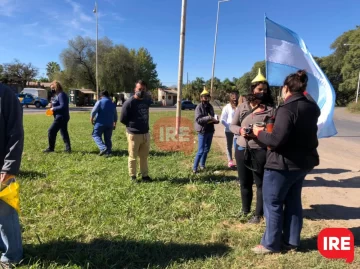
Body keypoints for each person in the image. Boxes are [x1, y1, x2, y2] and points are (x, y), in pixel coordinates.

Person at [251, 70, 320, 254]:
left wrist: (259, 133)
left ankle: (270, 244)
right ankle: (291, 241)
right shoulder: (312, 107)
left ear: (285, 88)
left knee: (272, 202)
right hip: (303, 163)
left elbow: (276, 140)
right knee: (293, 201)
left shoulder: (287, 108)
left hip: (282, 164)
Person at [230, 69, 275, 224]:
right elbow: (232, 126)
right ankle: (245, 210)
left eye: (264, 90)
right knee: (244, 182)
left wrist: (263, 131)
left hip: (260, 150)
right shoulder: (242, 107)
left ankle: (258, 214)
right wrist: (241, 130)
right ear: (252, 90)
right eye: (259, 89)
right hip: (242, 149)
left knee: (260, 183)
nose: (262, 92)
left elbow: (274, 130)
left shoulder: (270, 109)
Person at [0, 83, 24, 267]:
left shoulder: (5, 95)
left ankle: (12, 254)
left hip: (3, 167)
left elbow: (16, 134)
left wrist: (8, 168)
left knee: (6, 212)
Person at [120, 80, 153, 182]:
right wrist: (132, 127)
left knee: (144, 156)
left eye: (143, 89)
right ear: (135, 89)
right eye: (139, 89)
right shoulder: (129, 103)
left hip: (145, 133)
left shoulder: (146, 101)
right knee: (133, 156)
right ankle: (133, 176)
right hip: (134, 134)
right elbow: (122, 119)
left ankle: (144, 176)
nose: (141, 91)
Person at [193, 89, 219, 173]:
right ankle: (194, 168)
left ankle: (202, 165)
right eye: (204, 97)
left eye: (207, 96)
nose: (206, 98)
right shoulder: (199, 107)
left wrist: (216, 120)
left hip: (210, 130)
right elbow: (199, 120)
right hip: (202, 131)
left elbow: (212, 116)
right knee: (200, 151)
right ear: (201, 98)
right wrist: (209, 118)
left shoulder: (210, 106)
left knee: (206, 150)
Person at [43, 81, 71, 153]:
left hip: (61, 117)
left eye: (52, 88)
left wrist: (53, 108)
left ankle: (51, 148)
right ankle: (68, 149)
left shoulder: (61, 94)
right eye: (51, 88)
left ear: (56, 87)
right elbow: (57, 103)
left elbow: (63, 106)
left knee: (51, 131)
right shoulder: (57, 95)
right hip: (61, 116)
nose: (52, 89)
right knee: (64, 132)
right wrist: (51, 105)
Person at [91, 90, 118, 157]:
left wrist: (91, 118)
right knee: (108, 138)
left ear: (101, 95)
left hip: (100, 123)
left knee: (95, 135)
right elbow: (115, 114)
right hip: (110, 123)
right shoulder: (112, 103)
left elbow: (94, 111)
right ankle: (108, 152)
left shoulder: (99, 102)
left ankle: (103, 148)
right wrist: (115, 122)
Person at [220, 91, 239, 168]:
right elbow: (222, 119)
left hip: (237, 130)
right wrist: (229, 127)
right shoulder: (226, 107)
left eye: (236, 98)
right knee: (229, 146)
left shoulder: (239, 106)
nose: (235, 99)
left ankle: (238, 160)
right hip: (229, 130)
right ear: (230, 98)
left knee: (237, 146)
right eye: (233, 98)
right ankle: (230, 161)